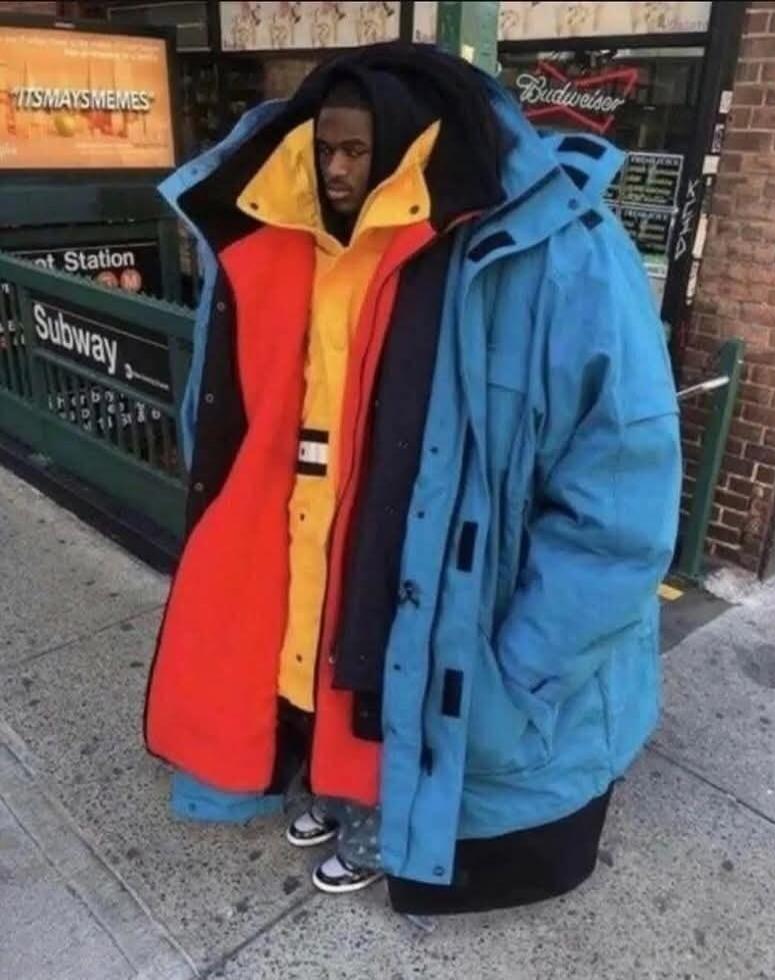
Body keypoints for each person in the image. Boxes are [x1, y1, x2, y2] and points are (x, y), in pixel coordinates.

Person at [145, 43, 681, 913]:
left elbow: (621, 502)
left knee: (395, 641)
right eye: (325, 150)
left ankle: (385, 821)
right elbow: (227, 412)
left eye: (357, 150)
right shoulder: (280, 229)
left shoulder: (561, 248)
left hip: (494, 647)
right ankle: (333, 783)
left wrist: (520, 677)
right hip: (326, 530)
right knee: (333, 642)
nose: (336, 168)